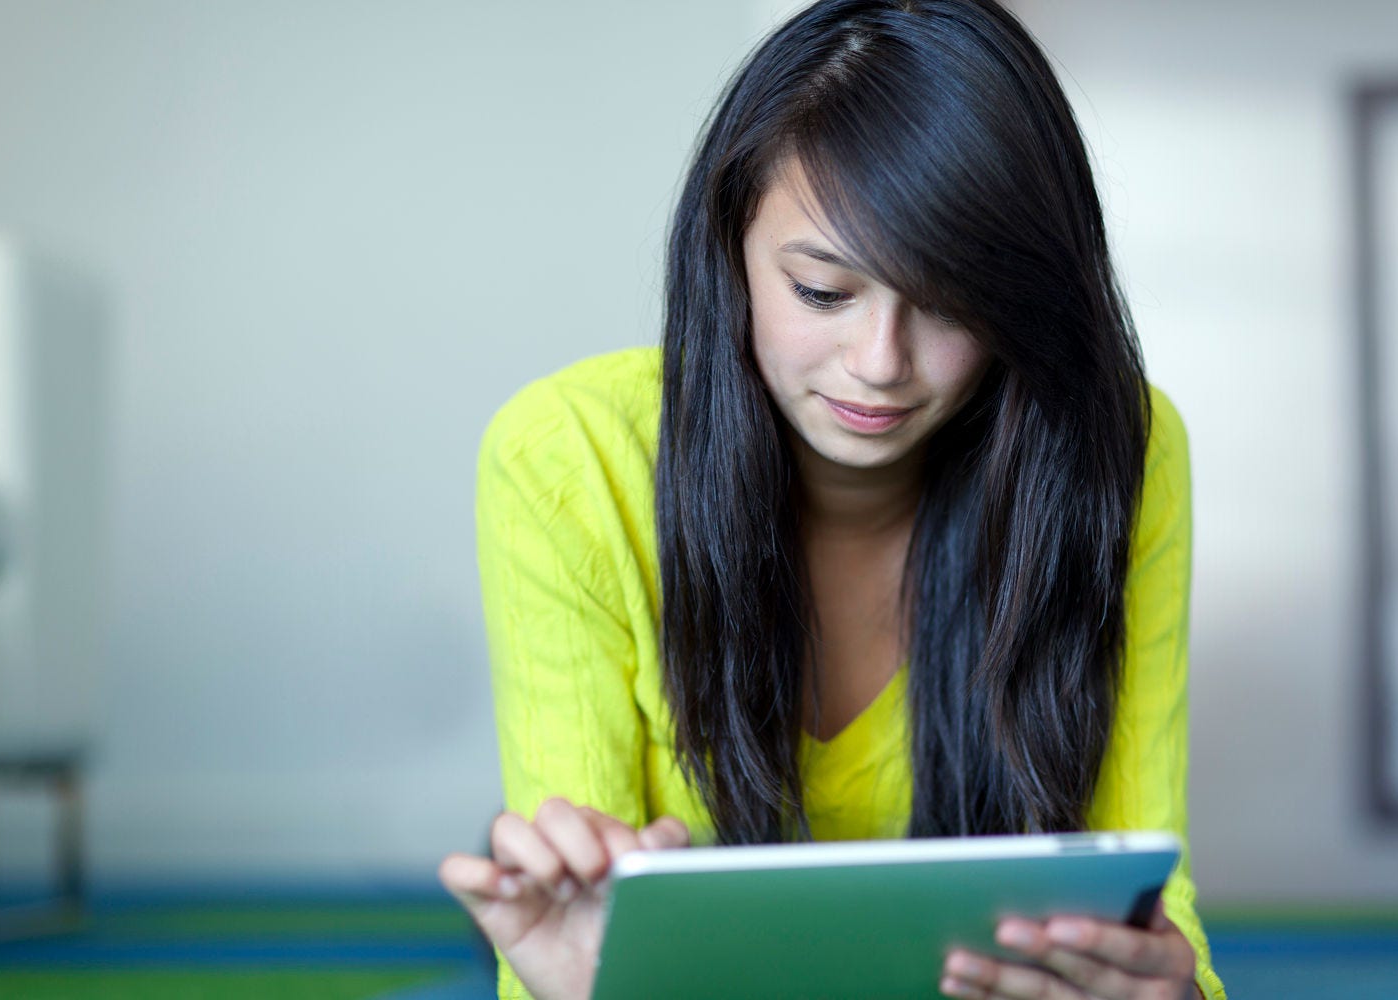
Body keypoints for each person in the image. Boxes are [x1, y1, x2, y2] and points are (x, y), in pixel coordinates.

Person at [440, 1, 1227, 997]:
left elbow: (1154, 900)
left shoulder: (1119, 448)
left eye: (952, 301)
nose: (880, 364)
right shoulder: (568, 456)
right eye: (822, 290)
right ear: (729, 247)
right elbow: (580, 948)